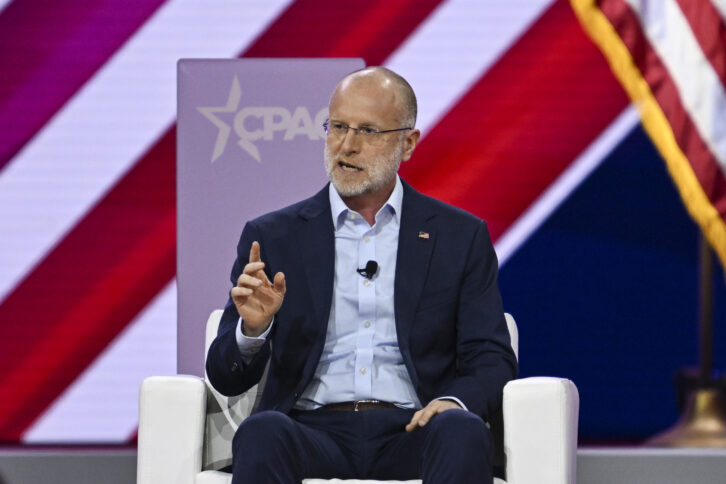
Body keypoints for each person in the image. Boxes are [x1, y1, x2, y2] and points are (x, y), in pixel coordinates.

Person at [205, 66, 518, 483]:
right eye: (337, 127)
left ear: (408, 143)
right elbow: (226, 377)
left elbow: (491, 356)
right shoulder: (273, 236)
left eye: (368, 131)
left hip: (414, 427)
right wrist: (253, 330)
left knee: (461, 431)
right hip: (311, 429)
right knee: (262, 432)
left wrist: (453, 403)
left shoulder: (459, 237)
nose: (346, 146)